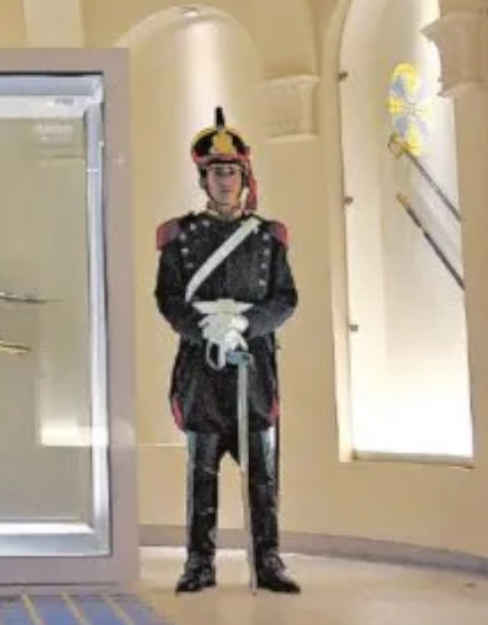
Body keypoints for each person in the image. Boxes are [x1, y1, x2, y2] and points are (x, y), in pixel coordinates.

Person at [154, 107, 300, 594]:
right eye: (215, 173)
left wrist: (245, 324)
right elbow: (168, 298)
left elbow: (285, 298)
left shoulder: (267, 236)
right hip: (202, 368)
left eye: (231, 172)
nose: (224, 181)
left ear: (243, 177)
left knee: (262, 474)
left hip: (253, 367)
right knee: (202, 473)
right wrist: (207, 328)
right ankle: (199, 564)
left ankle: (269, 560)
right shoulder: (180, 237)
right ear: (203, 179)